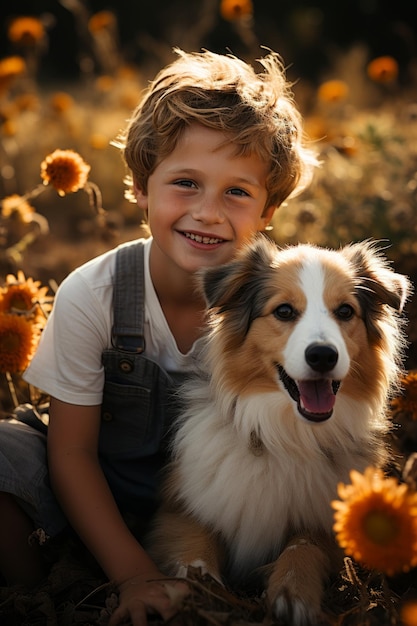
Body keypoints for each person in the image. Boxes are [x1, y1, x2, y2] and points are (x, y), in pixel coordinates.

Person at [0, 47, 318, 626]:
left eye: (238, 192)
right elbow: (71, 454)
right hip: (96, 491)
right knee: (5, 455)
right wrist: (135, 575)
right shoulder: (91, 294)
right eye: (186, 183)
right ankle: (52, 587)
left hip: (223, 512)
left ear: (269, 209)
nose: (208, 212)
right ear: (142, 187)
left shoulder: (283, 306)